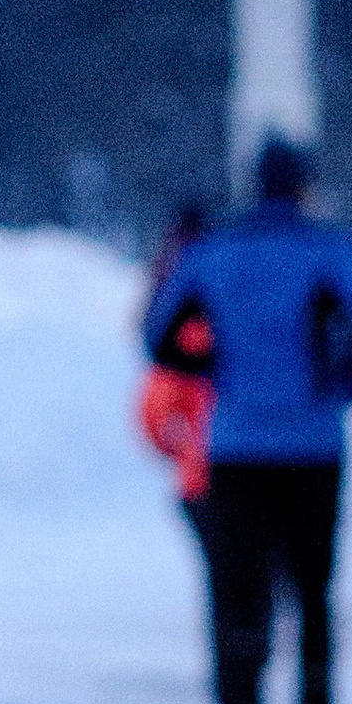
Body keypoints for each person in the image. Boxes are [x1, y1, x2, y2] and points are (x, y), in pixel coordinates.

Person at [145, 137, 352, 704]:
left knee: (241, 590)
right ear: (303, 186)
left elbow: (158, 334)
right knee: (313, 594)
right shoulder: (328, 251)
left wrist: (216, 371)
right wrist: (336, 385)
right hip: (314, 446)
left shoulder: (214, 252)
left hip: (237, 443)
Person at [136, 197, 218, 564]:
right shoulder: (216, 316)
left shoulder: (169, 318)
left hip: (198, 472)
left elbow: (156, 409)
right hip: (231, 464)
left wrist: (171, 442)